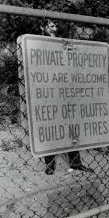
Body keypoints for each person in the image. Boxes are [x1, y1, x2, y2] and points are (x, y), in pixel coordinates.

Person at [40, 19, 94, 175]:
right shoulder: (38, 43)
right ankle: (50, 165)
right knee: (50, 129)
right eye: (51, 26)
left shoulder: (62, 43)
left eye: (55, 26)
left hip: (65, 91)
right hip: (49, 92)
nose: (54, 28)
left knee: (72, 128)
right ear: (42, 27)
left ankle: (76, 163)